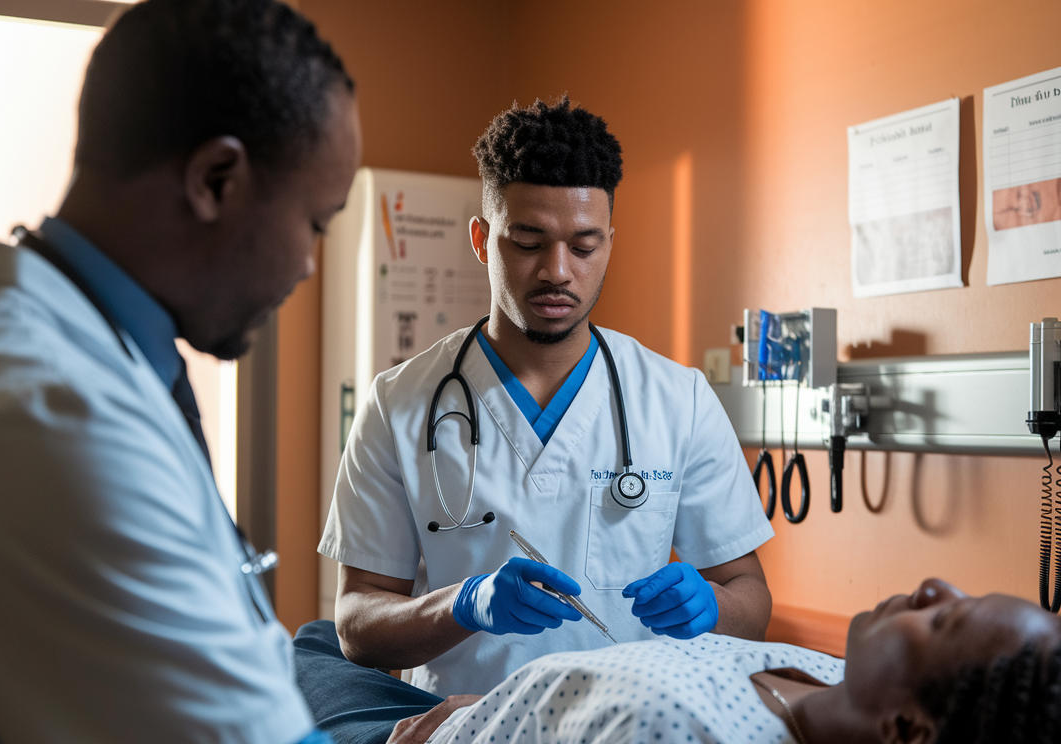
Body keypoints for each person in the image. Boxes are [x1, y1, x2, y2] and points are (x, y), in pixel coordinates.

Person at [0, 1, 380, 744]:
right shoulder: (44, 418)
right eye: (314, 223)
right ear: (214, 180)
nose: (306, 267)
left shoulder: (89, 357)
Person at [312, 97, 774, 709]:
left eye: (584, 246)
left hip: (627, 736)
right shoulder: (399, 404)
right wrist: (465, 604)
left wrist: (714, 605)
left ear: (609, 243)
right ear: (482, 239)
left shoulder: (678, 400)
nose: (558, 272)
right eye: (528, 241)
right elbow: (357, 626)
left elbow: (750, 596)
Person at [304, 578, 1061, 744]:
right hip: (455, 717)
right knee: (321, 637)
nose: (934, 586)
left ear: (909, 731)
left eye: (944, 620)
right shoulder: (833, 681)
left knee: (296, 648)